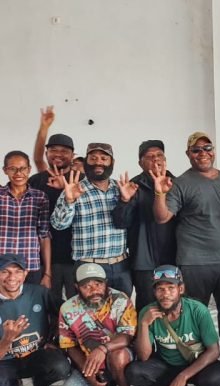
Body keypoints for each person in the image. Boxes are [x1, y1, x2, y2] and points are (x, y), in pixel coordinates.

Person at [152, 131, 220, 363]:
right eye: (196, 150)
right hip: (195, 262)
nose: (203, 153)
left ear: (213, 151)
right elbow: (162, 217)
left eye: (207, 148)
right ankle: (198, 358)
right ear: (188, 154)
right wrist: (160, 193)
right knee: (194, 312)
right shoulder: (181, 183)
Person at [125, 265, 220, 386]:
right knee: (133, 372)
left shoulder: (198, 310)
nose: (165, 294)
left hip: (196, 364)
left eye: (171, 288)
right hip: (166, 366)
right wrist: (144, 324)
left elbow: (214, 351)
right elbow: (143, 356)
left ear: (181, 289)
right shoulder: (147, 312)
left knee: (216, 378)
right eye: (160, 289)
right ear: (154, 292)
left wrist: (183, 376)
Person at [51, 143, 131, 296]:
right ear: (86, 162)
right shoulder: (75, 189)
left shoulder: (121, 188)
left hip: (121, 266)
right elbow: (58, 225)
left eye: (104, 158)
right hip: (88, 267)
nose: (98, 162)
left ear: (112, 162)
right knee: (88, 311)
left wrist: (126, 200)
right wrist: (69, 201)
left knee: (123, 309)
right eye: (93, 158)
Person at [57, 263, 136, 386]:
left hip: (119, 357)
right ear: (77, 287)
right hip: (90, 362)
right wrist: (88, 373)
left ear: (106, 283)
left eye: (98, 284)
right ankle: (103, 385)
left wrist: (103, 349)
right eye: (86, 286)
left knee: (118, 355)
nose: (94, 290)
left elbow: (127, 336)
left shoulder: (120, 299)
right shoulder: (67, 308)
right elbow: (69, 345)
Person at [112, 140, 177, 311]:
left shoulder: (176, 184)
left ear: (165, 160)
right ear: (140, 163)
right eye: (149, 156)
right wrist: (124, 201)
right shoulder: (133, 186)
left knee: (173, 305)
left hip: (174, 257)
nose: (155, 159)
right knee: (147, 306)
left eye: (159, 155)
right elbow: (120, 222)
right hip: (143, 260)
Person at [0, 253, 70, 386]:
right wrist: (7, 339)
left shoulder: (39, 292)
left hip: (36, 354)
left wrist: (56, 339)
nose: (12, 277)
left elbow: (68, 313)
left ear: (25, 274)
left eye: (18, 271)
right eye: (5, 271)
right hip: (4, 361)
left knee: (60, 366)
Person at [28, 107, 80, 302]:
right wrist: (44, 127)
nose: (58, 154)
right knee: (48, 304)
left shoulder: (80, 180)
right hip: (45, 259)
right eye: (53, 150)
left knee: (77, 306)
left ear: (73, 155)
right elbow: (36, 158)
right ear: (47, 153)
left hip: (76, 257)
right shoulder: (36, 180)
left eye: (64, 151)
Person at [1, 151, 51, 285]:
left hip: (30, 267)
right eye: (12, 169)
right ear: (5, 170)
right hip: (2, 268)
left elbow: (44, 236)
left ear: (29, 169)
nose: (18, 173)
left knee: (30, 299)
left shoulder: (40, 197)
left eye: (23, 168)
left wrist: (47, 273)